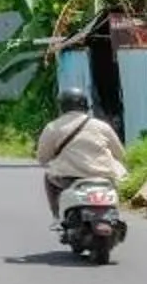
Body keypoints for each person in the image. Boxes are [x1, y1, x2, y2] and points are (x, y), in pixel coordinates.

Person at [35, 86, 126, 215]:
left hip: (69, 179)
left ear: (62, 107)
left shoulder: (53, 127)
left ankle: (56, 215)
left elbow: (43, 158)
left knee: (48, 176)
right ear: (85, 105)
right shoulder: (102, 126)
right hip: (103, 177)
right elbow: (120, 154)